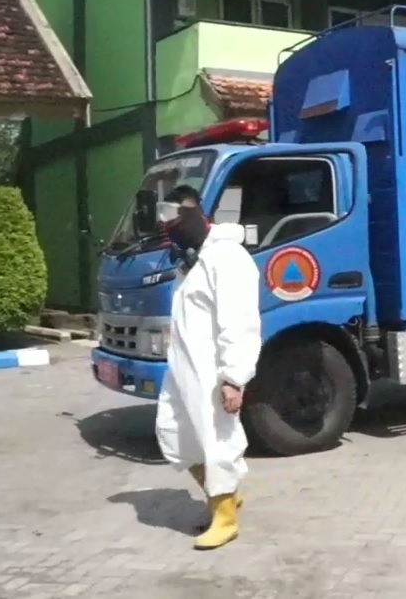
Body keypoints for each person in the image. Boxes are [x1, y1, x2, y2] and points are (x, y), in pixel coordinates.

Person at [154, 185, 262, 551]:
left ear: (199, 214)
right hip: (183, 369)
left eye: (179, 217)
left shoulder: (227, 256)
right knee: (175, 435)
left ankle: (225, 517)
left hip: (211, 372)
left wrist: (234, 378)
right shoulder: (195, 259)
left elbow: (240, 321)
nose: (172, 227)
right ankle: (226, 496)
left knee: (216, 441)